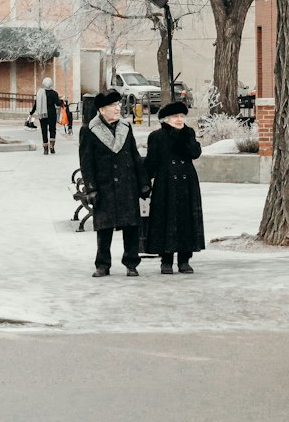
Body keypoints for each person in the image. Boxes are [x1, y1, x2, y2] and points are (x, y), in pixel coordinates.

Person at [78, 89, 150, 277]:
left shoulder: (126, 127)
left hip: (127, 185)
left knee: (131, 226)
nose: (118, 108)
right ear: (102, 110)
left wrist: (143, 182)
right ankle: (102, 264)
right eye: (113, 105)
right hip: (104, 186)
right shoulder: (89, 130)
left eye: (119, 104)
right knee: (104, 227)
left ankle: (131, 262)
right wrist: (91, 187)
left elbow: (134, 156)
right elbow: (86, 162)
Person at [144, 101, 205, 275]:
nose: (179, 120)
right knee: (166, 219)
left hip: (187, 183)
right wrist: (144, 183)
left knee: (186, 219)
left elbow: (195, 153)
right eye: (175, 117)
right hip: (166, 183)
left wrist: (184, 135)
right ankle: (166, 260)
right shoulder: (156, 136)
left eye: (181, 116)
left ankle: (185, 260)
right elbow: (151, 162)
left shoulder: (189, 133)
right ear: (166, 119)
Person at [32, 76, 66, 155]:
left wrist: (31, 112)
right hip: (52, 114)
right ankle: (52, 147)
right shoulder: (54, 93)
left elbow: (36, 104)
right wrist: (62, 100)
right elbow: (57, 104)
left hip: (42, 114)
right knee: (52, 129)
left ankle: (45, 149)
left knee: (44, 130)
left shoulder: (40, 93)